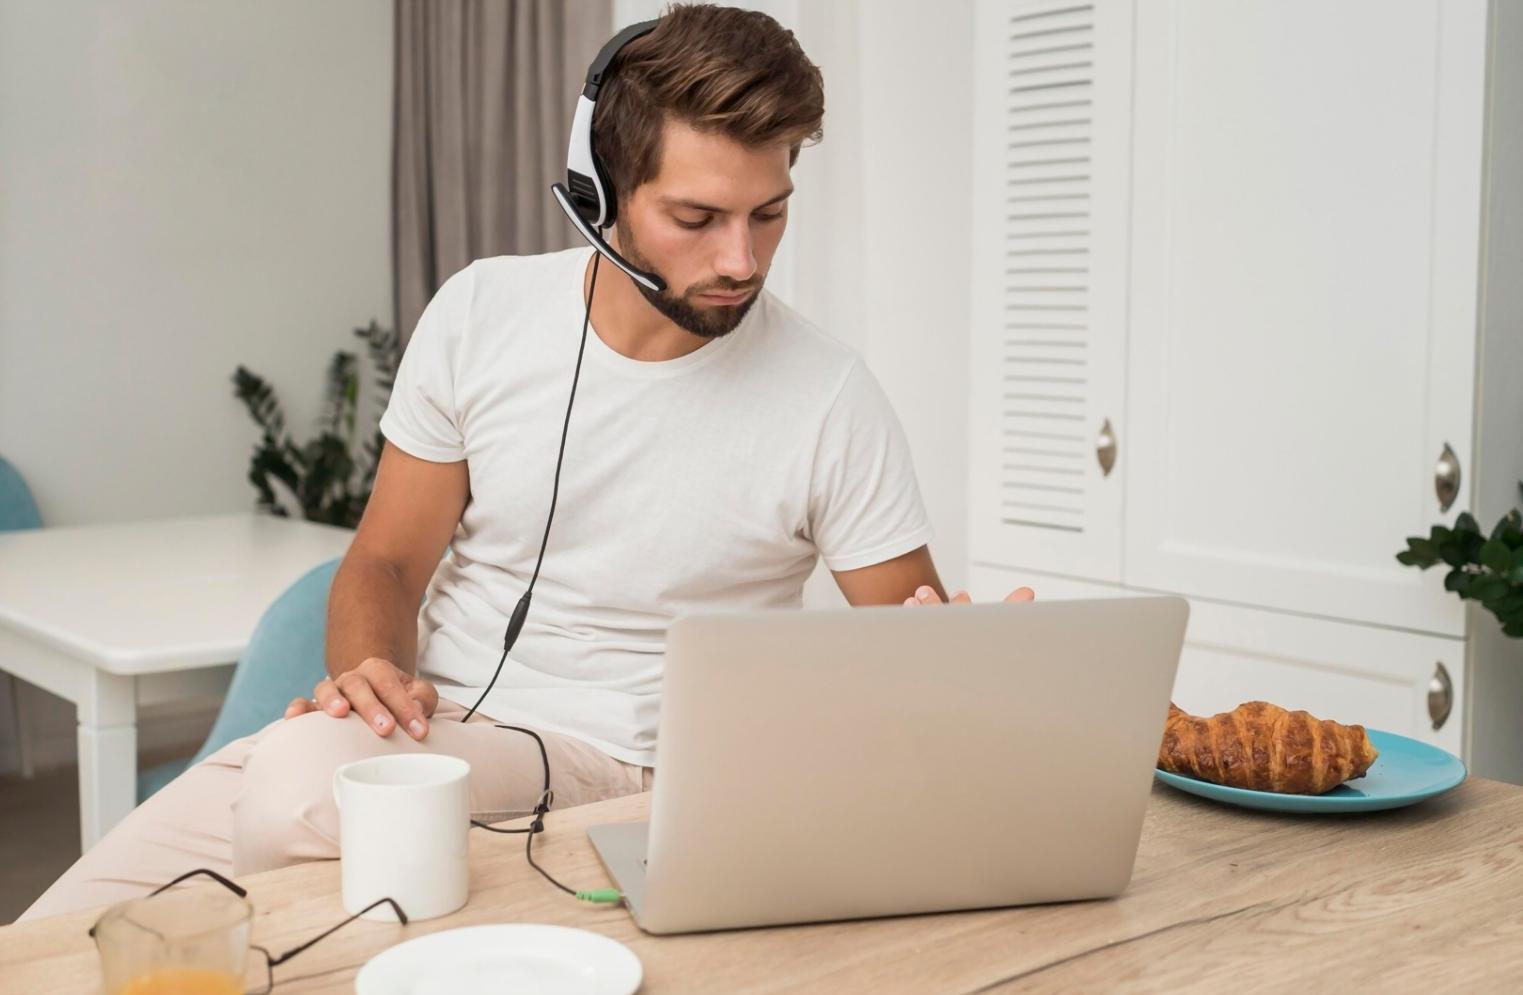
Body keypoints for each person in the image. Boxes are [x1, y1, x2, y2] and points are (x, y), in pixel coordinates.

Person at [18, 3, 1032, 923]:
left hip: (640, 766)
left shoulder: (829, 395)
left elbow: (906, 649)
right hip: (438, 727)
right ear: (598, 194)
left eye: (767, 212)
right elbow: (384, 564)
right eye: (696, 218)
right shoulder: (481, 312)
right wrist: (368, 674)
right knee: (48, 938)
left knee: (293, 789)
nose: (740, 260)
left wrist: (960, 667)